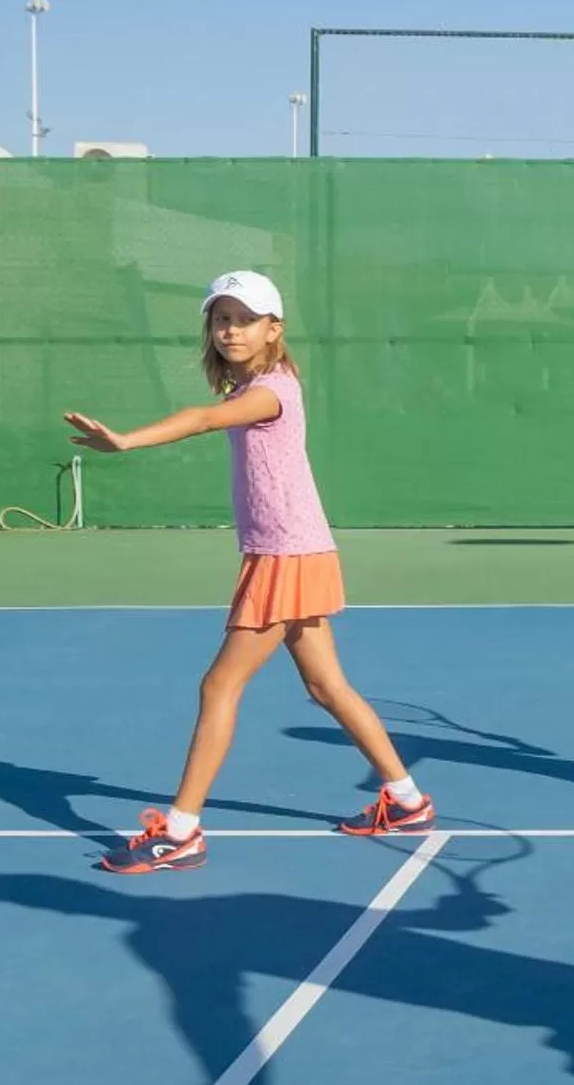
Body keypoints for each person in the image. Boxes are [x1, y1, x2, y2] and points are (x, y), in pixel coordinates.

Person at [66, 270, 436, 871]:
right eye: (221, 318)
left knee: (219, 685)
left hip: (286, 556)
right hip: (295, 550)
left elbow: (206, 418)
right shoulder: (253, 386)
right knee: (325, 686)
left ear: (274, 329)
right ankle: (405, 799)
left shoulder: (273, 391)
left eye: (245, 319)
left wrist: (128, 441)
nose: (230, 329)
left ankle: (181, 831)